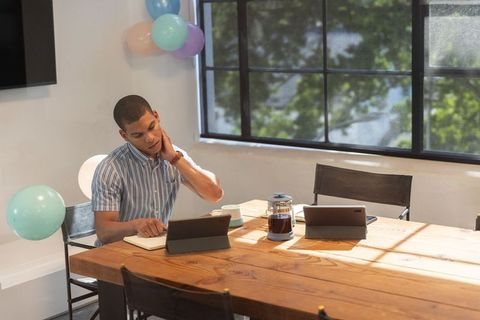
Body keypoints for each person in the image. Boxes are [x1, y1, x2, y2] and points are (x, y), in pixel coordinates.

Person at [91, 95, 223, 245]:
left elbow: (214, 194)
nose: (150, 138)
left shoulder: (174, 155)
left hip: (156, 247)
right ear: (124, 135)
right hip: (119, 253)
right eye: (138, 135)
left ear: (156, 116)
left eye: (151, 127)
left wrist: (175, 159)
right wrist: (136, 225)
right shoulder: (110, 169)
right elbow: (104, 233)